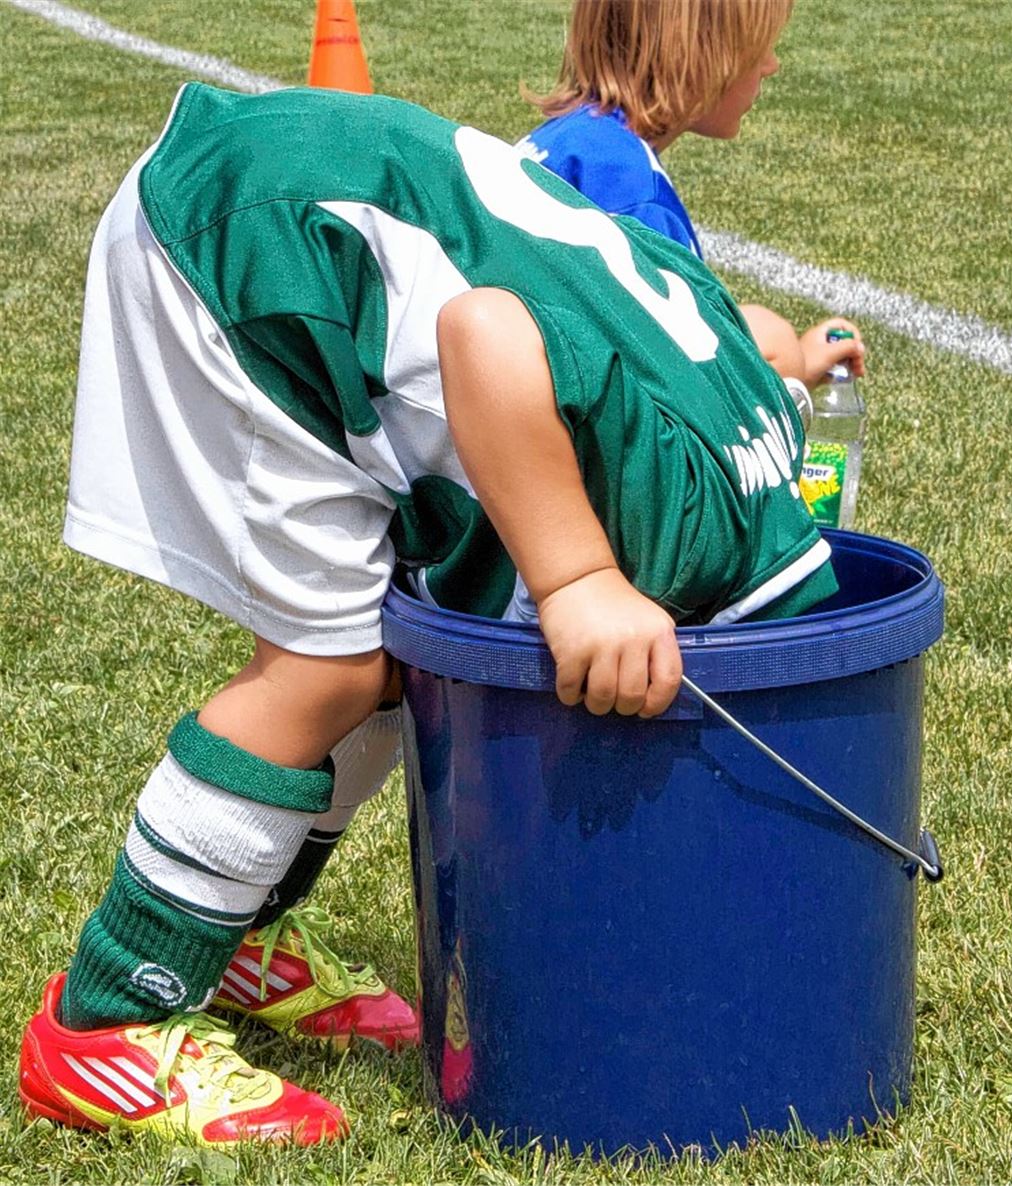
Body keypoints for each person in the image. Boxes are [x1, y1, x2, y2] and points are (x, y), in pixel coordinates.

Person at [19, 81, 837, 1147]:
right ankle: (106, 1023)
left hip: (305, 204)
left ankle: (238, 933)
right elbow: (485, 330)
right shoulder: (684, 529)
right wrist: (582, 578)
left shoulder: (736, 444)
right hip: (245, 244)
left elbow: (735, 323)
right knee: (331, 667)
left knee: (390, 654)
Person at [518, 0, 867, 401]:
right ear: (704, 56)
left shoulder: (563, 140)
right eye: (758, 49)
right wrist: (793, 373)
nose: (771, 65)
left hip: (488, 411)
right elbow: (685, 389)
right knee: (772, 342)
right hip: (548, 428)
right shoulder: (636, 202)